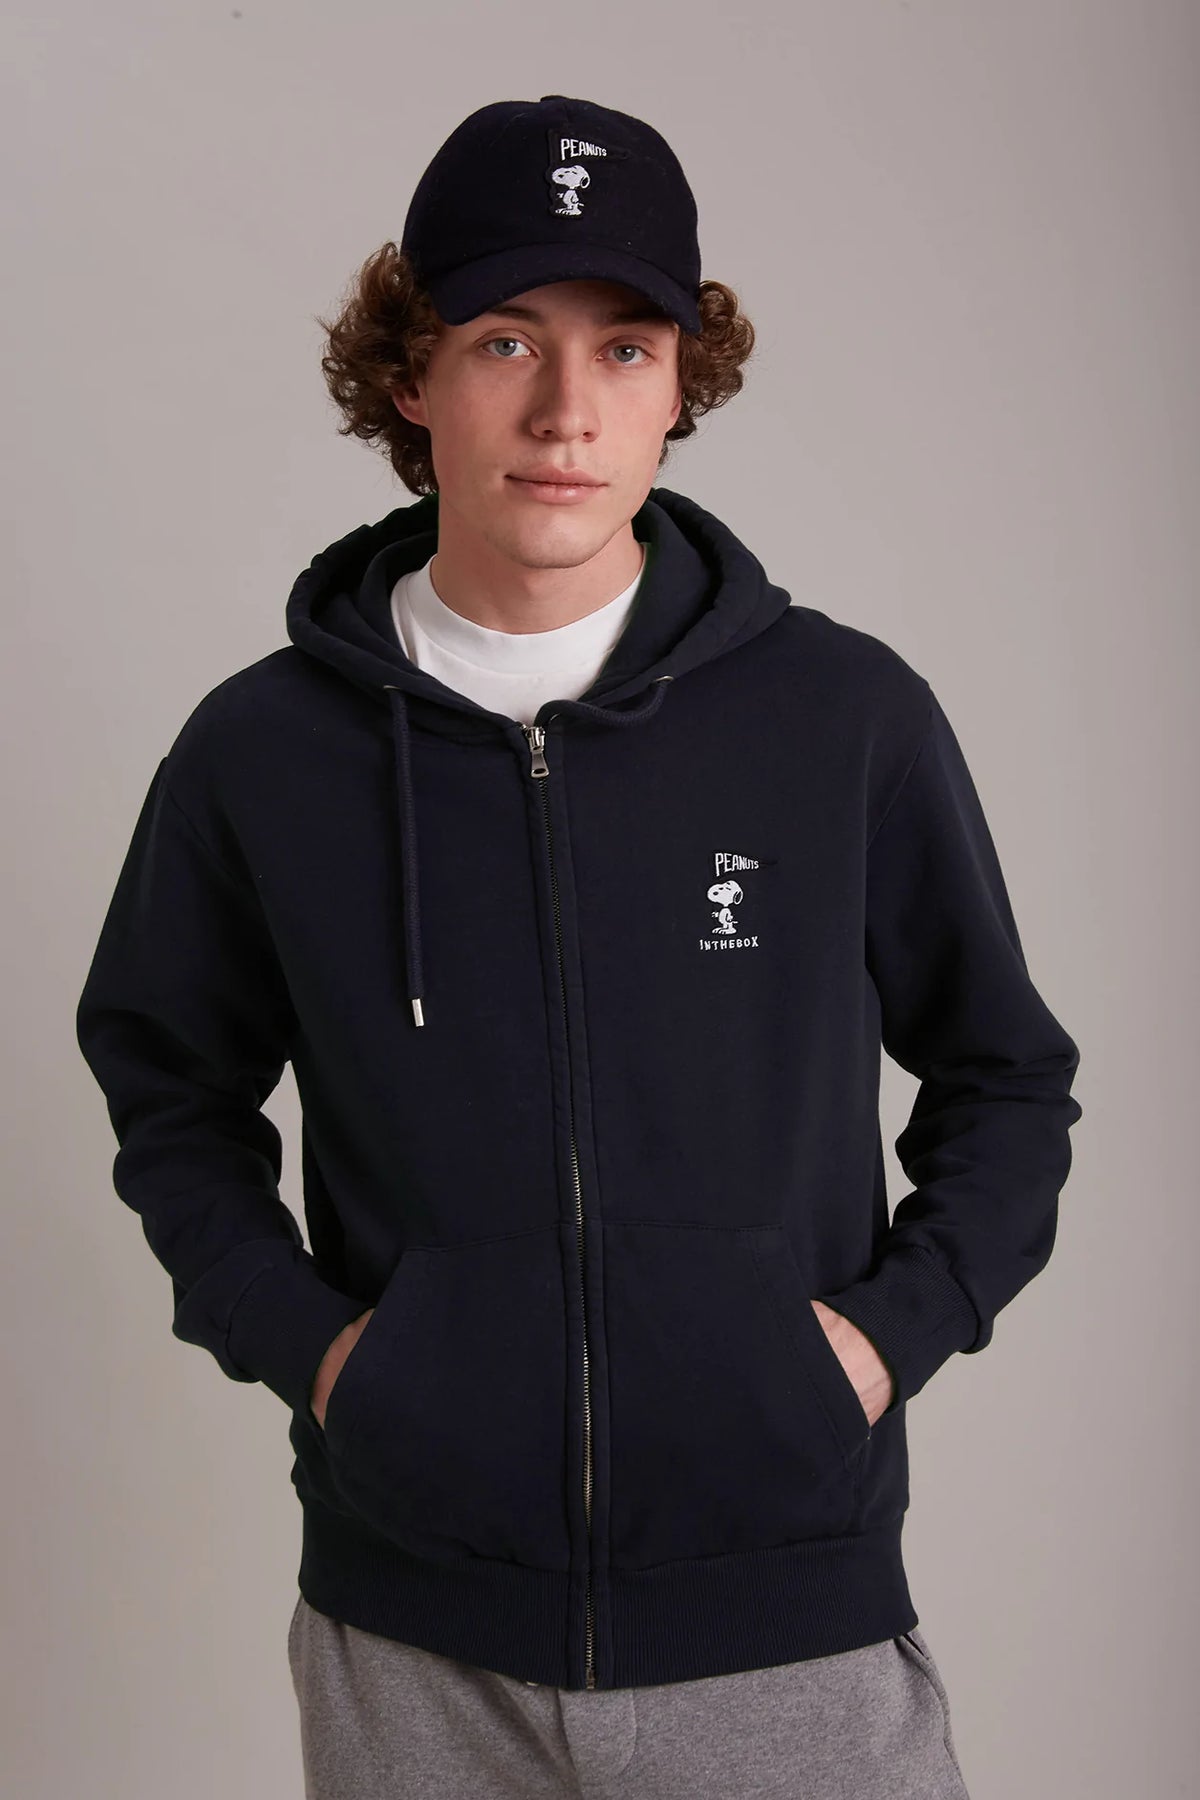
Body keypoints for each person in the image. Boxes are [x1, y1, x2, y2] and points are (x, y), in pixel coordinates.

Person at [75, 93, 1082, 1799]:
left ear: (683, 383)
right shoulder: (262, 754)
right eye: (503, 339)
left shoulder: (843, 720)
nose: (566, 410)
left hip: (788, 1623)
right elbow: (167, 1093)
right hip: (418, 1645)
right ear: (409, 372)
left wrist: (867, 1350)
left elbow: (1010, 1081)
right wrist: (328, 1358)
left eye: (625, 347)